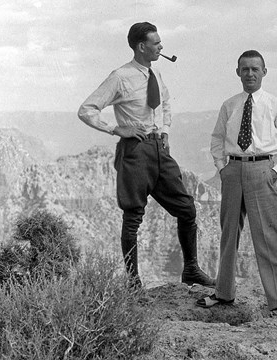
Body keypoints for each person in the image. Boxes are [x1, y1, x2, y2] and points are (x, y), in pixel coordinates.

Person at [77, 21, 214, 288]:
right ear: (142, 46)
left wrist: (165, 131)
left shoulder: (156, 74)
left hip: (158, 149)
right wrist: (116, 128)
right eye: (156, 43)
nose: (161, 47)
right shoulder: (120, 76)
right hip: (135, 151)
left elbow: (166, 102)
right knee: (133, 216)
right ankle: (133, 282)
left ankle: (191, 270)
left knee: (187, 208)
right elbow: (87, 109)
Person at [195, 50, 277, 319]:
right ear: (237, 72)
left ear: (264, 72)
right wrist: (222, 168)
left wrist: (275, 171)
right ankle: (223, 292)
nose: (250, 74)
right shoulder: (229, 105)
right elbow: (217, 139)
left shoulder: (276, 105)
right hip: (233, 170)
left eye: (255, 69)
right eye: (245, 69)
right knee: (228, 232)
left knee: (268, 235)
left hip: (262, 169)